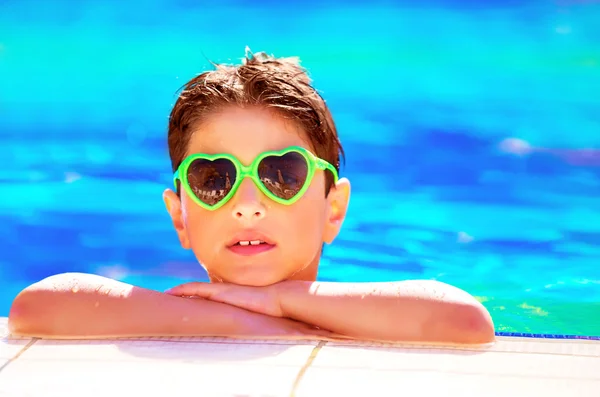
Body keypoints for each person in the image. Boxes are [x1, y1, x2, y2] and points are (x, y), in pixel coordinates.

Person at [8, 49, 495, 345]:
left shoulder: (381, 310)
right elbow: (39, 306)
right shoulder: (166, 308)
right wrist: (247, 324)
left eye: (281, 173)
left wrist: (285, 301)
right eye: (214, 178)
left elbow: (464, 320)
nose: (247, 204)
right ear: (180, 217)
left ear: (334, 210)